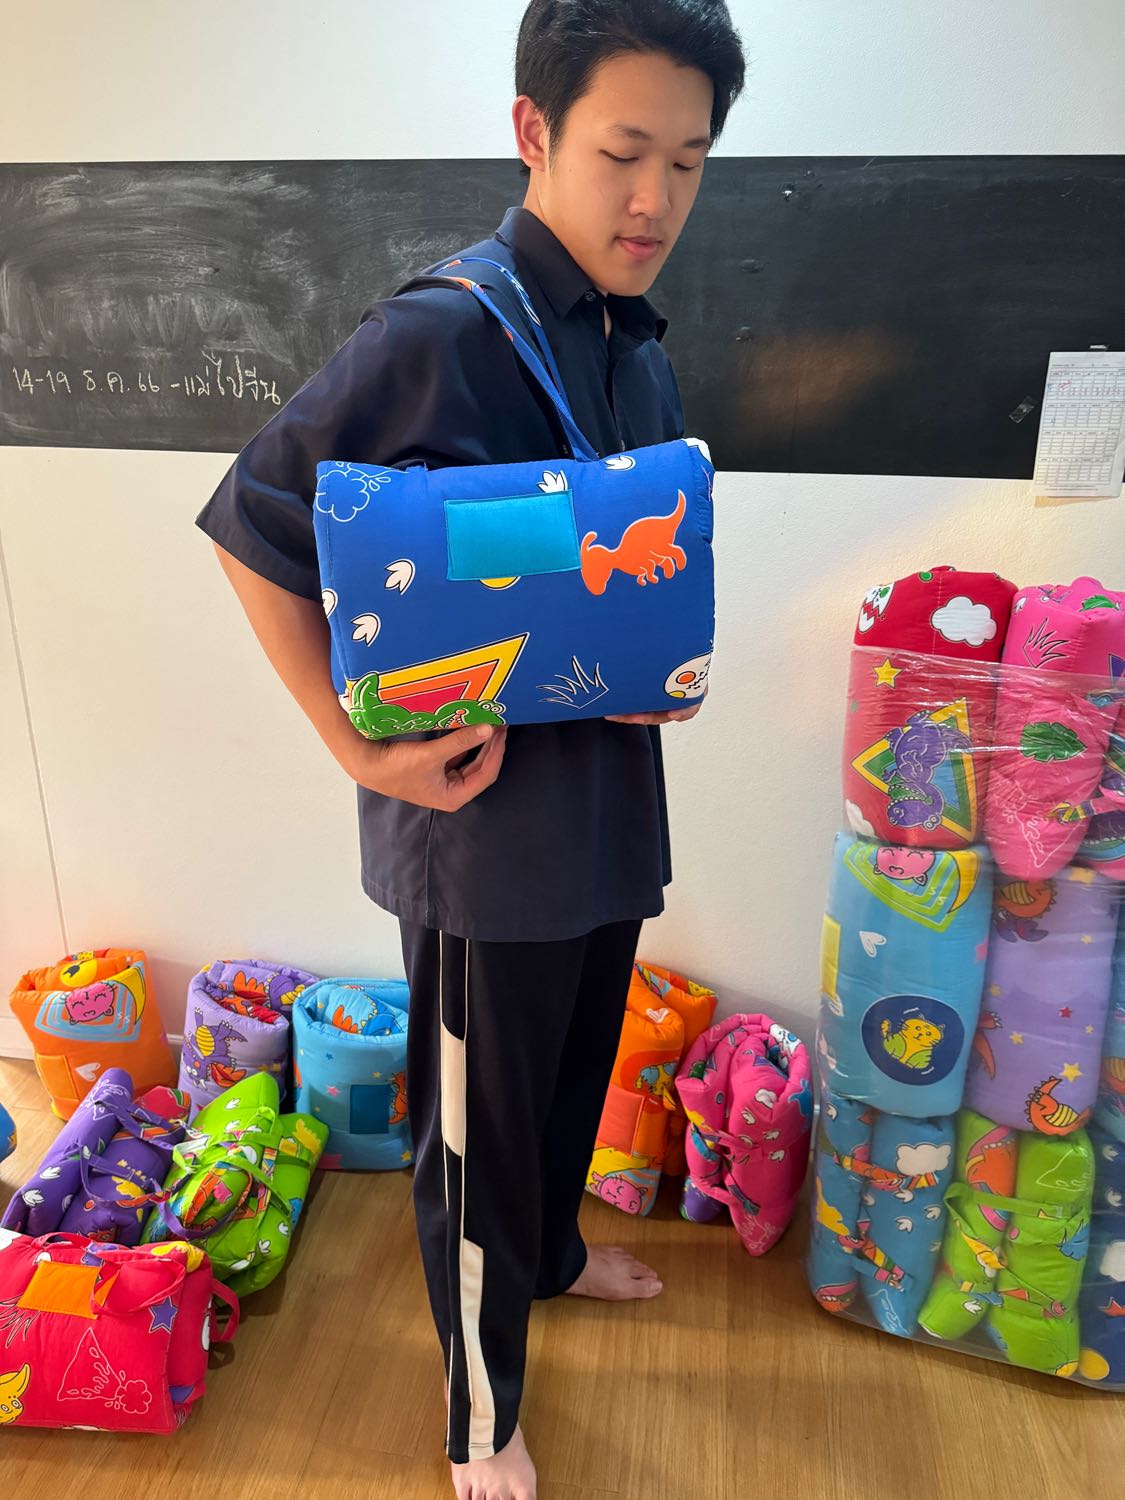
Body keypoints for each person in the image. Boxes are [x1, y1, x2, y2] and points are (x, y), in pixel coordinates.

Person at [196, 3, 745, 1495]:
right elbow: (251, 526)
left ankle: (549, 1258)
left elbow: (600, 563)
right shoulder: (440, 330)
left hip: (606, 813)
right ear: (534, 134)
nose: (655, 199)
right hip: (481, 835)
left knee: (567, 1082)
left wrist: (655, 673)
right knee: (476, 1131)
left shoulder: (632, 339)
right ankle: (478, 1414)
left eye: (688, 161)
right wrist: (352, 750)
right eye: (623, 152)